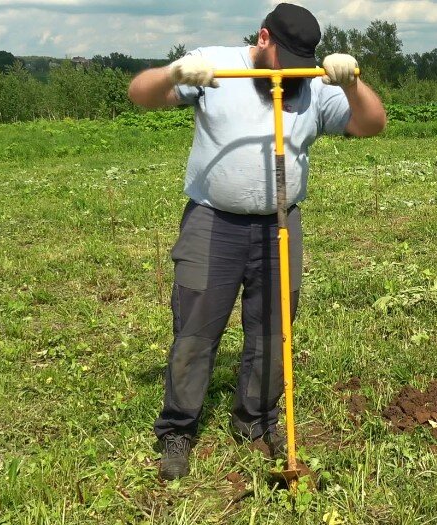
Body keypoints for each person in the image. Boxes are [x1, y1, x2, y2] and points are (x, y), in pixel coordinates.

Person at [127, 3, 386, 481]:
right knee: (196, 330)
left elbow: (372, 124)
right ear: (263, 38)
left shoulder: (311, 84)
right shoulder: (215, 66)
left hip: (280, 224)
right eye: (283, 57)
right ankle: (179, 428)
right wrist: (173, 73)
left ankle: (255, 420)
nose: (290, 70)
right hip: (213, 222)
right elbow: (139, 95)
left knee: (272, 331)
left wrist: (351, 83)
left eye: (299, 61)